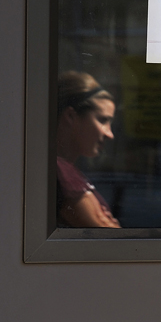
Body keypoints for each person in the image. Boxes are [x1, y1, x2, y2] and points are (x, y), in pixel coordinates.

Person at [56, 71, 121, 228]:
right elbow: (108, 234)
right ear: (71, 116)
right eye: (103, 120)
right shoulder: (61, 171)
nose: (109, 134)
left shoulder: (65, 171)